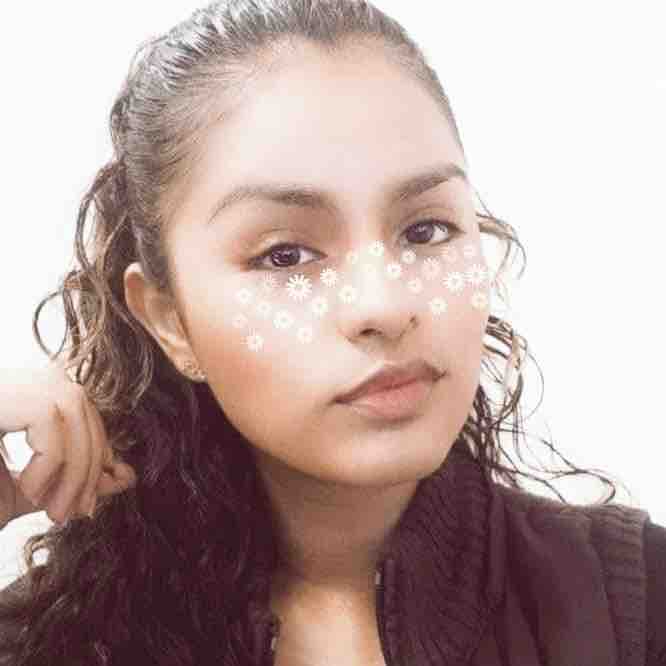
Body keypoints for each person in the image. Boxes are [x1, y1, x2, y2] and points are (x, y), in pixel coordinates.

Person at [0, 1, 664, 664]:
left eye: (425, 230)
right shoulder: (51, 645)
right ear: (170, 320)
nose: (383, 305)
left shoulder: (631, 609)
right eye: (285, 255)